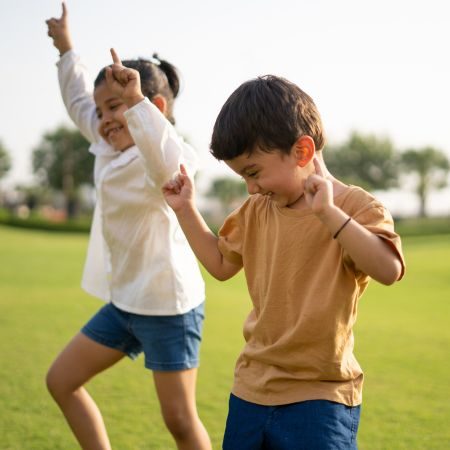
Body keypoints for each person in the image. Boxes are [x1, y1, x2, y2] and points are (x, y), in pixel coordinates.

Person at [162, 75, 405, 449]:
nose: (251, 187)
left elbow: (389, 270)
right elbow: (221, 264)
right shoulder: (258, 209)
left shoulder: (355, 208)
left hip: (320, 398)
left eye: (254, 172)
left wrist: (329, 214)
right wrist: (185, 209)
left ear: (302, 152)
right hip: (251, 389)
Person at [45, 3, 211, 449]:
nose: (103, 119)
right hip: (125, 303)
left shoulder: (160, 157)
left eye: (114, 106)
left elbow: (169, 161)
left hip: (168, 307)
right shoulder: (106, 144)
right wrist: (66, 49)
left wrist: (134, 104)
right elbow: (80, 100)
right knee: (61, 380)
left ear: (152, 107)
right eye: (102, 112)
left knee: (178, 420)